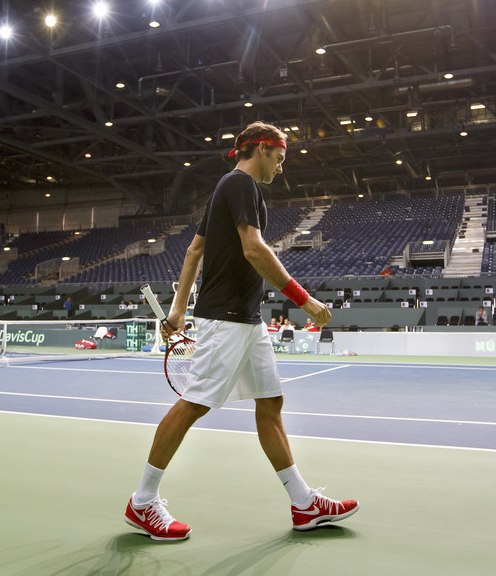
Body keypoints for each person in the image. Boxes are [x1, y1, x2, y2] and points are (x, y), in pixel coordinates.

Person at [125, 121, 358, 541]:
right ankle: (142, 502)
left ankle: (303, 504)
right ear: (263, 149)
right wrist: (304, 300)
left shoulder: (227, 190)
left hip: (247, 319)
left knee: (271, 403)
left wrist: (178, 311)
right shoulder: (241, 185)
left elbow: (196, 250)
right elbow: (253, 249)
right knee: (195, 403)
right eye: (280, 158)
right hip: (226, 317)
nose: (281, 168)